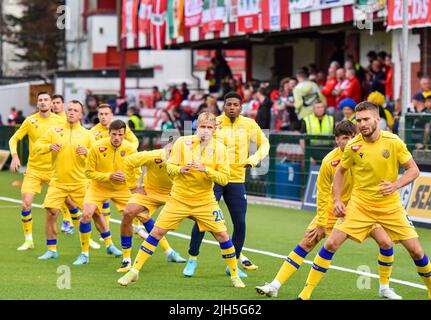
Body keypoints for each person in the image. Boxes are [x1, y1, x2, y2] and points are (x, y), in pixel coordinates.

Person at [296, 101, 431, 300]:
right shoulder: (353, 145)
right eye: (358, 120)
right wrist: (337, 200)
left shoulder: (393, 141)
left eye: (366, 119)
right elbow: (340, 172)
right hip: (360, 205)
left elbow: (414, 170)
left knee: (416, 252)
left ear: (377, 119)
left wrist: (396, 184)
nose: (362, 124)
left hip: (390, 205)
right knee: (331, 243)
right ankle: (304, 295)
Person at [256, 120, 402, 299]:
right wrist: (321, 223)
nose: (347, 142)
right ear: (336, 140)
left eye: (351, 137)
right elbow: (323, 194)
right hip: (335, 209)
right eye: (343, 138)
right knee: (308, 241)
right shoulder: (329, 161)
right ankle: (275, 285)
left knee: (386, 243)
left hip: (363, 208)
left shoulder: (365, 154)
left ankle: (384, 288)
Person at [118, 112, 247, 288]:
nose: (206, 131)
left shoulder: (220, 149)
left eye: (210, 127)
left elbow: (224, 179)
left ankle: (234, 275)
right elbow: (169, 167)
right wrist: (180, 170)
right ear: (196, 127)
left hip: (205, 201)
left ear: (215, 129)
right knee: (156, 232)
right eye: (203, 126)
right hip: (178, 198)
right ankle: (134, 271)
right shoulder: (181, 142)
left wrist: (205, 170)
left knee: (222, 235)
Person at [183, 92, 270, 278]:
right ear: (224, 106)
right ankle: (192, 258)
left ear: (241, 107)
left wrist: (254, 159)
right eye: (228, 104)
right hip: (213, 179)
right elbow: (198, 141)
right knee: (203, 221)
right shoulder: (214, 122)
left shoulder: (249, 124)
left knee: (240, 223)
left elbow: (265, 144)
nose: (232, 107)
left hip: (237, 179)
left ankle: (233, 263)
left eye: (235, 104)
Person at [33, 100, 93, 260]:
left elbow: (97, 158)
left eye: (75, 110)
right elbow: (37, 146)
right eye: (69, 109)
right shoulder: (54, 130)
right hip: (58, 182)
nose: (71, 112)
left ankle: (87, 252)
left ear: (81, 114)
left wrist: (87, 152)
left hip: (80, 182)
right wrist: (48, 147)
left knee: (91, 215)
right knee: (51, 213)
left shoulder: (87, 134)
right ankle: (52, 249)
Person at [117, 139, 186, 272]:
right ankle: (126, 260)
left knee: (205, 221)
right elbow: (128, 161)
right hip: (150, 192)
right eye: (170, 150)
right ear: (165, 148)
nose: (172, 153)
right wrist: (132, 186)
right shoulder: (153, 155)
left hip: (174, 194)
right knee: (128, 213)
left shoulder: (187, 160)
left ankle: (235, 257)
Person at [8, 92, 65, 251]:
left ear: (51, 103)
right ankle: (28, 240)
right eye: (40, 100)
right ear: (37, 103)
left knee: (64, 206)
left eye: (46, 99)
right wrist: (14, 156)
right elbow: (13, 139)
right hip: (34, 169)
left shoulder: (61, 121)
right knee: (26, 204)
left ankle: (85, 239)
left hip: (54, 170)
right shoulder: (30, 121)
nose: (43, 102)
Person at [72, 120, 133, 265]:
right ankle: (84, 254)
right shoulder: (97, 147)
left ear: (124, 134)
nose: (117, 137)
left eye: (120, 134)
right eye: (114, 134)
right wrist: (108, 176)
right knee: (86, 215)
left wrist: (128, 178)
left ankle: (129, 257)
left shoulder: (130, 148)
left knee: (137, 216)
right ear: (109, 133)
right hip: (98, 187)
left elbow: (136, 172)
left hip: (121, 189)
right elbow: (88, 172)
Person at [89, 103, 140, 229]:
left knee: (133, 202)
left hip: (121, 167)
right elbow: (91, 152)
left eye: (106, 114)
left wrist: (127, 151)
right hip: (103, 171)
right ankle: (106, 229)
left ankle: (138, 225)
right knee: (102, 201)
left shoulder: (121, 127)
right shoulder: (92, 132)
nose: (103, 117)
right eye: (101, 114)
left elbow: (134, 141)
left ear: (111, 115)